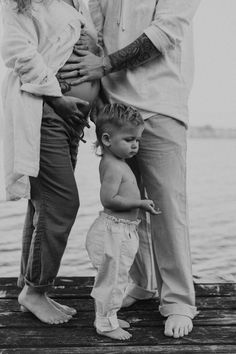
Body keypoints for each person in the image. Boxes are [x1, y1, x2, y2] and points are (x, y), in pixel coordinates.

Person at [58, 0, 201, 338]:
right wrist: (95, 97)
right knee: (125, 209)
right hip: (114, 110)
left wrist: (103, 65)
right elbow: (93, 35)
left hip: (159, 105)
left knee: (168, 208)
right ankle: (142, 283)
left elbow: (165, 32)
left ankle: (179, 300)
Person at [0, 0, 100, 324]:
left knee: (42, 203)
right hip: (45, 112)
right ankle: (35, 291)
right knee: (62, 203)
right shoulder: (22, 1)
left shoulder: (79, 2)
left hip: (71, 123)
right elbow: (16, 48)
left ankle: (31, 287)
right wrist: (57, 98)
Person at [86, 103, 160, 340]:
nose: (135, 145)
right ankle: (106, 325)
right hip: (114, 230)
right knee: (113, 279)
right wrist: (139, 204)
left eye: (137, 139)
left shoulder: (119, 163)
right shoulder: (113, 166)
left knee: (116, 277)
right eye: (129, 139)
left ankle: (109, 317)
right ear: (107, 139)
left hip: (122, 230)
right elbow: (108, 199)